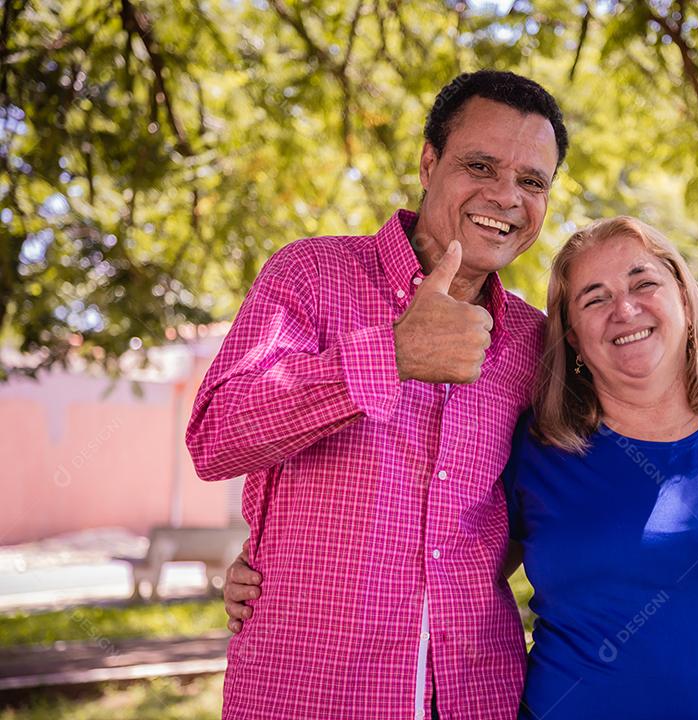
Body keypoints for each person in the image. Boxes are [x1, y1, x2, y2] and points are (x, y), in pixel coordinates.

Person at [226, 216, 698, 719]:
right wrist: (280, 567)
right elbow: (444, 564)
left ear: (684, 298)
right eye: (592, 298)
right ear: (569, 335)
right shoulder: (538, 449)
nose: (622, 307)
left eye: (643, 282)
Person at [186, 70, 569, 720]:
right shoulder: (309, 273)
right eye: (480, 164)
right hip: (309, 695)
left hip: (477, 695)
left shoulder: (536, 341)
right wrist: (389, 355)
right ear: (428, 162)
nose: (507, 197)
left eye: (532, 181)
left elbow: (545, 507)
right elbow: (215, 437)